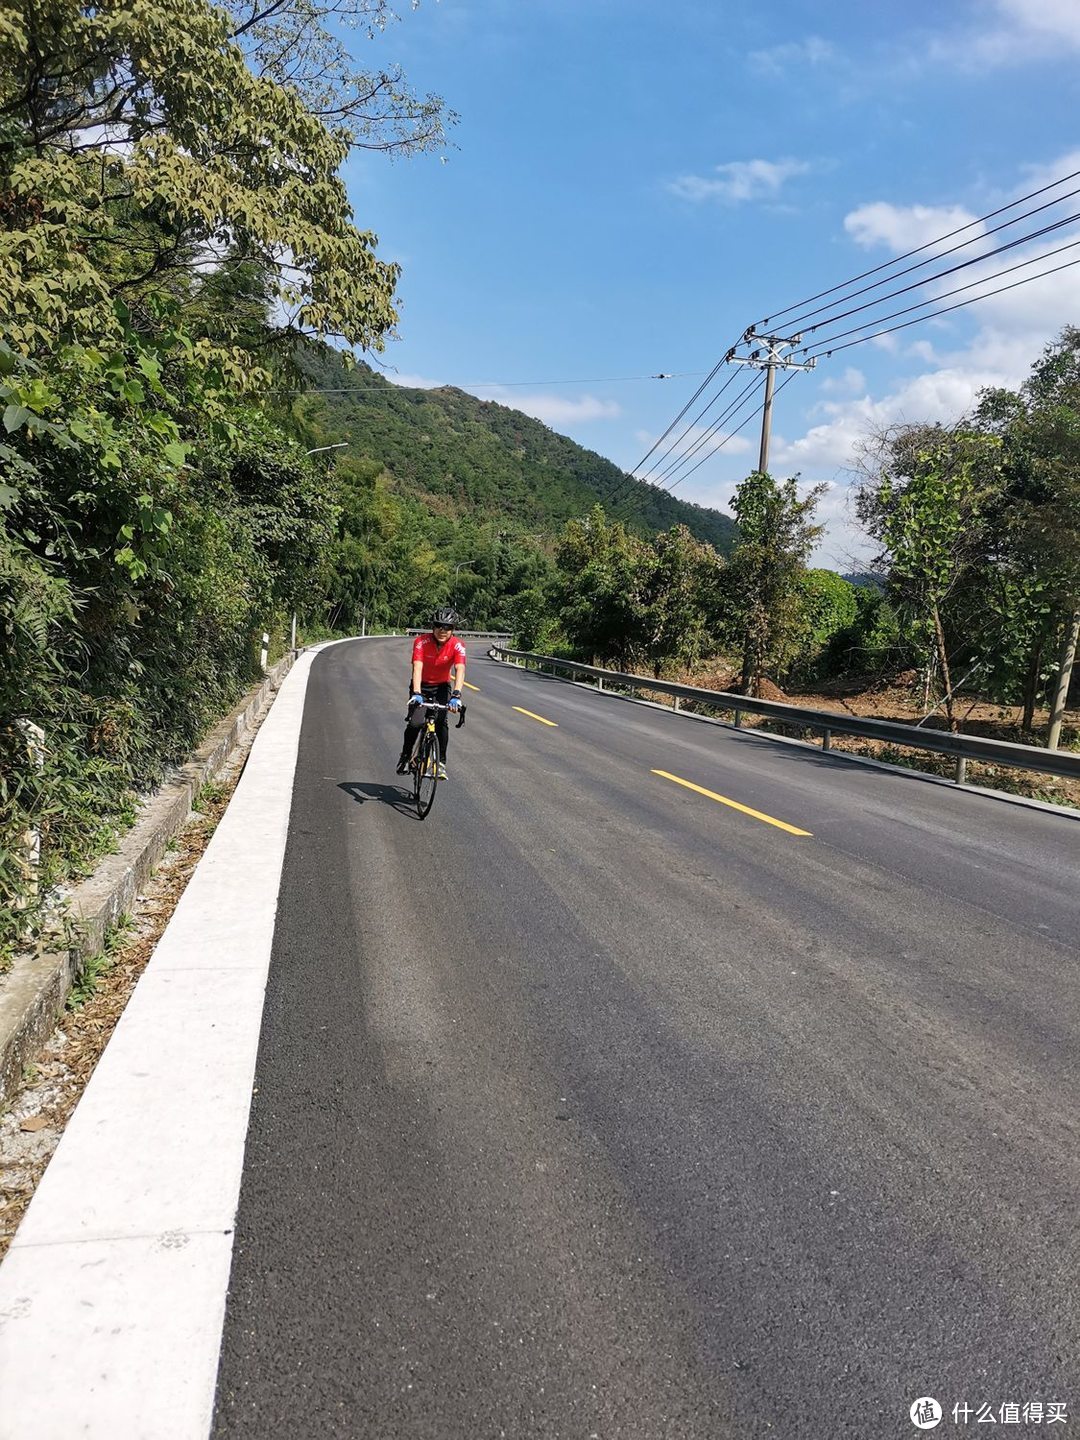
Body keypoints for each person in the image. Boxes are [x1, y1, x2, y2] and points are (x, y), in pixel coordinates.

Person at [396, 607, 466, 780]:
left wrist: (456, 695)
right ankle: (405, 755)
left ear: (453, 629)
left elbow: (460, 669)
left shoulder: (458, 645)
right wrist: (417, 693)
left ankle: (440, 763)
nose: (443, 630)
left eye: (447, 627)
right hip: (421, 686)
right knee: (416, 723)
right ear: (433, 627)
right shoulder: (421, 642)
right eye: (439, 626)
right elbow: (417, 667)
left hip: (442, 686)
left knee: (442, 722)